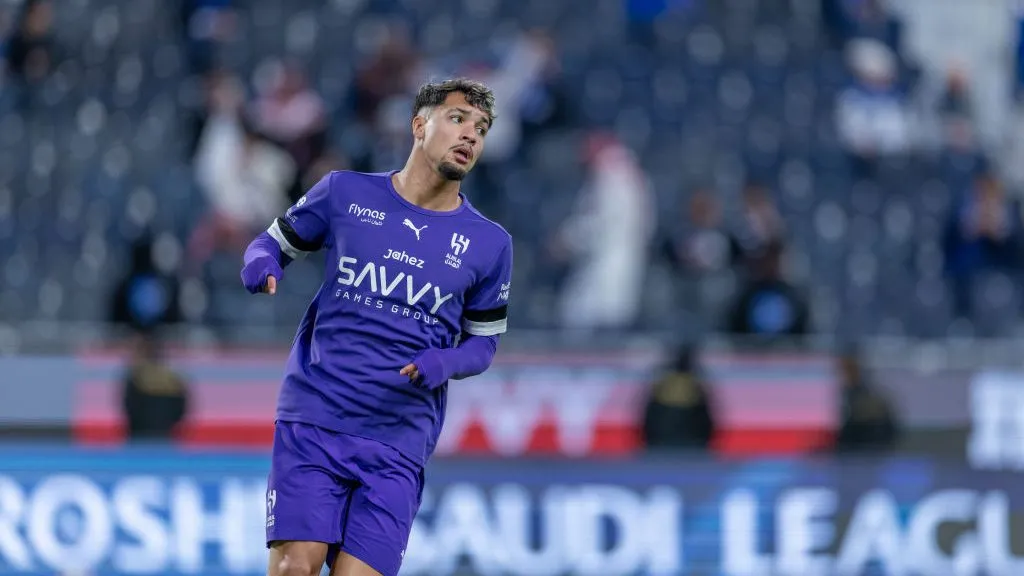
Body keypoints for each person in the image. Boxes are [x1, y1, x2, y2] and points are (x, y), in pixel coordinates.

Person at [239, 78, 513, 576]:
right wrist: (262, 264)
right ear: (419, 125)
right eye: (457, 119)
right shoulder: (345, 192)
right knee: (294, 569)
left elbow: (484, 343)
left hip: (398, 440)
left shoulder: (490, 244)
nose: (471, 135)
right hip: (316, 418)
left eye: (482, 128)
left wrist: (445, 361)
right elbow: (270, 243)